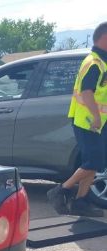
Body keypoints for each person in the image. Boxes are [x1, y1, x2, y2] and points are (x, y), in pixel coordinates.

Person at [47, 22, 107, 218]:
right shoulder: (94, 63)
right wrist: (96, 117)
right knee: (94, 160)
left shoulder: (101, 61)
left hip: (97, 122)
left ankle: (80, 202)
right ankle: (61, 190)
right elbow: (87, 92)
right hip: (88, 120)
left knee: (95, 161)